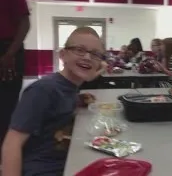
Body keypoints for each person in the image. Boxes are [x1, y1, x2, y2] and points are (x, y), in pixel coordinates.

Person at [1, 27, 107, 176]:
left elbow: (58, 109)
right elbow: (12, 144)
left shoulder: (70, 87)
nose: (88, 58)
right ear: (63, 55)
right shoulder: (43, 90)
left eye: (95, 54)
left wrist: (79, 99)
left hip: (67, 162)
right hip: (43, 170)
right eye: (79, 50)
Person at [0, 0, 30, 161]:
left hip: (7, 49)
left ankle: (7, 155)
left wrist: (10, 54)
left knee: (6, 106)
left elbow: (25, 24)